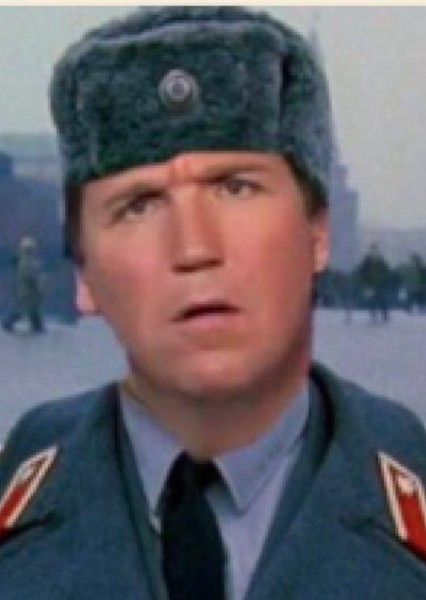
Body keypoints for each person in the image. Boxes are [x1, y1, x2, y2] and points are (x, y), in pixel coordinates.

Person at [0, 7, 425, 599]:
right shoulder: (20, 495)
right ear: (85, 274)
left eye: (236, 187)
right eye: (139, 205)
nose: (194, 248)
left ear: (317, 232)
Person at [1, 235, 45, 333]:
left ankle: (38, 328)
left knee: (33, 312)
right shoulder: (27, 262)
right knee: (24, 311)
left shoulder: (23, 260)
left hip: (26, 292)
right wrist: (39, 285)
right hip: (28, 293)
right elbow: (31, 276)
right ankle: (7, 324)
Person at [356, 242, 392, 323]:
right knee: (373, 300)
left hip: (379, 283)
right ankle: (375, 314)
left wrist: (385, 279)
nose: (374, 251)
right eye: (373, 249)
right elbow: (362, 271)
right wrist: (365, 281)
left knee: (381, 300)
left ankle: (383, 315)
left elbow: (386, 270)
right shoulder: (368, 260)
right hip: (371, 284)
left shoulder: (379, 260)